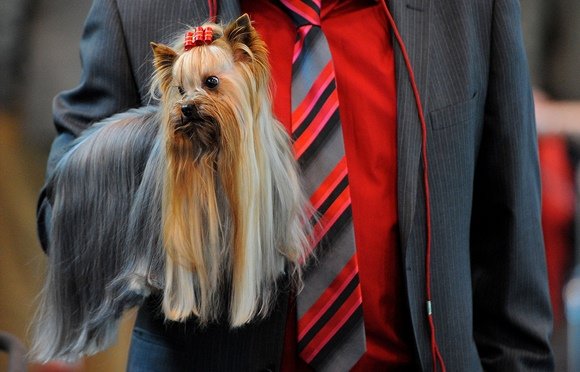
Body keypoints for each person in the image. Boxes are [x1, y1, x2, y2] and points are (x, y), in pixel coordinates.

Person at [37, 0, 554, 370]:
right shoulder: (136, 8)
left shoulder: (469, 11)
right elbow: (60, 220)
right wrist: (172, 160)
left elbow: (511, 243)